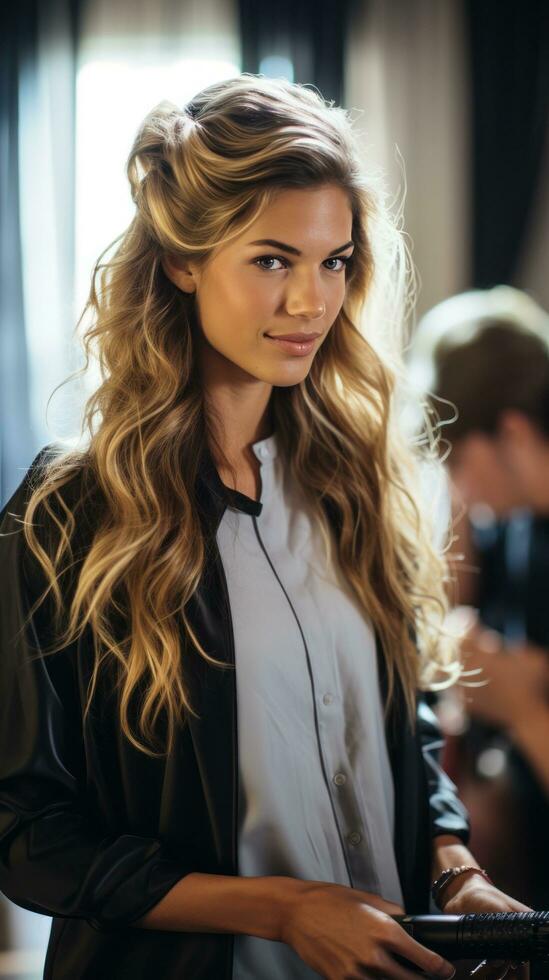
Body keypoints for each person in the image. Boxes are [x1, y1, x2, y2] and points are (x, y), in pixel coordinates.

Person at [0, 75, 529, 980]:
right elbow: (28, 834)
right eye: (272, 260)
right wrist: (286, 911)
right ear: (181, 259)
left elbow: (398, 737)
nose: (310, 304)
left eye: (334, 262)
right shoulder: (73, 512)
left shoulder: (352, 486)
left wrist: (454, 872)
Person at [408, 286, 549, 921]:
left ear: (514, 433)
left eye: (457, 459)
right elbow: (441, 608)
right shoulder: (515, 521)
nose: (453, 484)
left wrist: (523, 709)